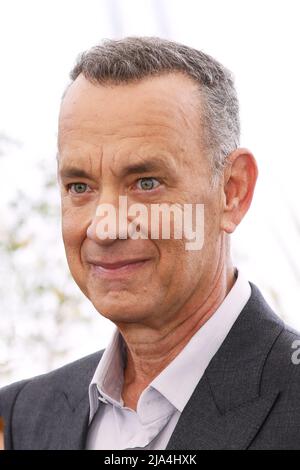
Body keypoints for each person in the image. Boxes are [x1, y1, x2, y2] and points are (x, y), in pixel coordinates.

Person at [1, 36, 300, 450]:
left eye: (146, 183)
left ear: (232, 192)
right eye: (80, 186)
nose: (105, 228)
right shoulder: (23, 415)